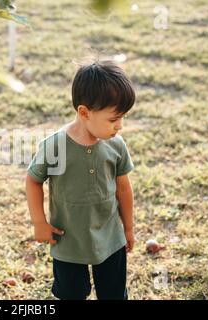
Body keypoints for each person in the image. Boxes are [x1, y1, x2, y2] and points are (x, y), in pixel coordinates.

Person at [26, 60, 136, 300]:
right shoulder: (55, 146)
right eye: (113, 119)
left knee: (114, 294)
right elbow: (34, 180)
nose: (120, 126)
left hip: (110, 238)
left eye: (123, 117)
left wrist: (127, 228)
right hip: (68, 241)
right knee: (71, 294)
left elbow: (124, 188)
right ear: (84, 112)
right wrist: (39, 222)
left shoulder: (116, 145)